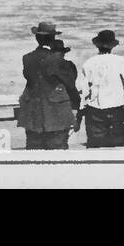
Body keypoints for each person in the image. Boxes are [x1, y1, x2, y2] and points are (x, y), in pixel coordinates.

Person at [17, 20, 76, 150]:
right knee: (58, 156)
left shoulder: (27, 58)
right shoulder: (59, 60)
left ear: (37, 38)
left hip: (33, 116)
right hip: (57, 117)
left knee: (34, 154)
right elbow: (71, 84)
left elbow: (29, 77)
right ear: (53, 38)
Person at [81, 29, 124, 148]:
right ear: (112, 46)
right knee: (117, 144)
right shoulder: (122, 61)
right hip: (118, 107)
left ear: (97, 45)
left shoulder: (89, 63)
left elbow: (83, 89)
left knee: (96, 145)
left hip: (95, 109)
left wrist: (81, 109)